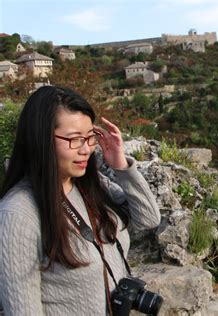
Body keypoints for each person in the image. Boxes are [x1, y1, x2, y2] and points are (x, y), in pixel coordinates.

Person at [0, 86, 161, 315]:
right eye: (75, 139)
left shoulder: (91, 185)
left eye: (90, 137)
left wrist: (122, 167)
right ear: (41, 140)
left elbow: (149, 219)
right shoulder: (17, 215)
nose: (86, 149)